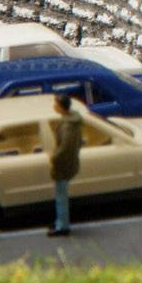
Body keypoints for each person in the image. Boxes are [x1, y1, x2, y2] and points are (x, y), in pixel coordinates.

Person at [48, 94, 82, 236]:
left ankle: (62, 226)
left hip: (63, 165)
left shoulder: (68, 125)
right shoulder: (72, 121)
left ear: (61, 107)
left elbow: (65, 147)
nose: (54, 106)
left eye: (55, 104)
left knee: (61, 196)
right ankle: (60, 221)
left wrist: (54, 158)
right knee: (61, 195)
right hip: (68, 162)